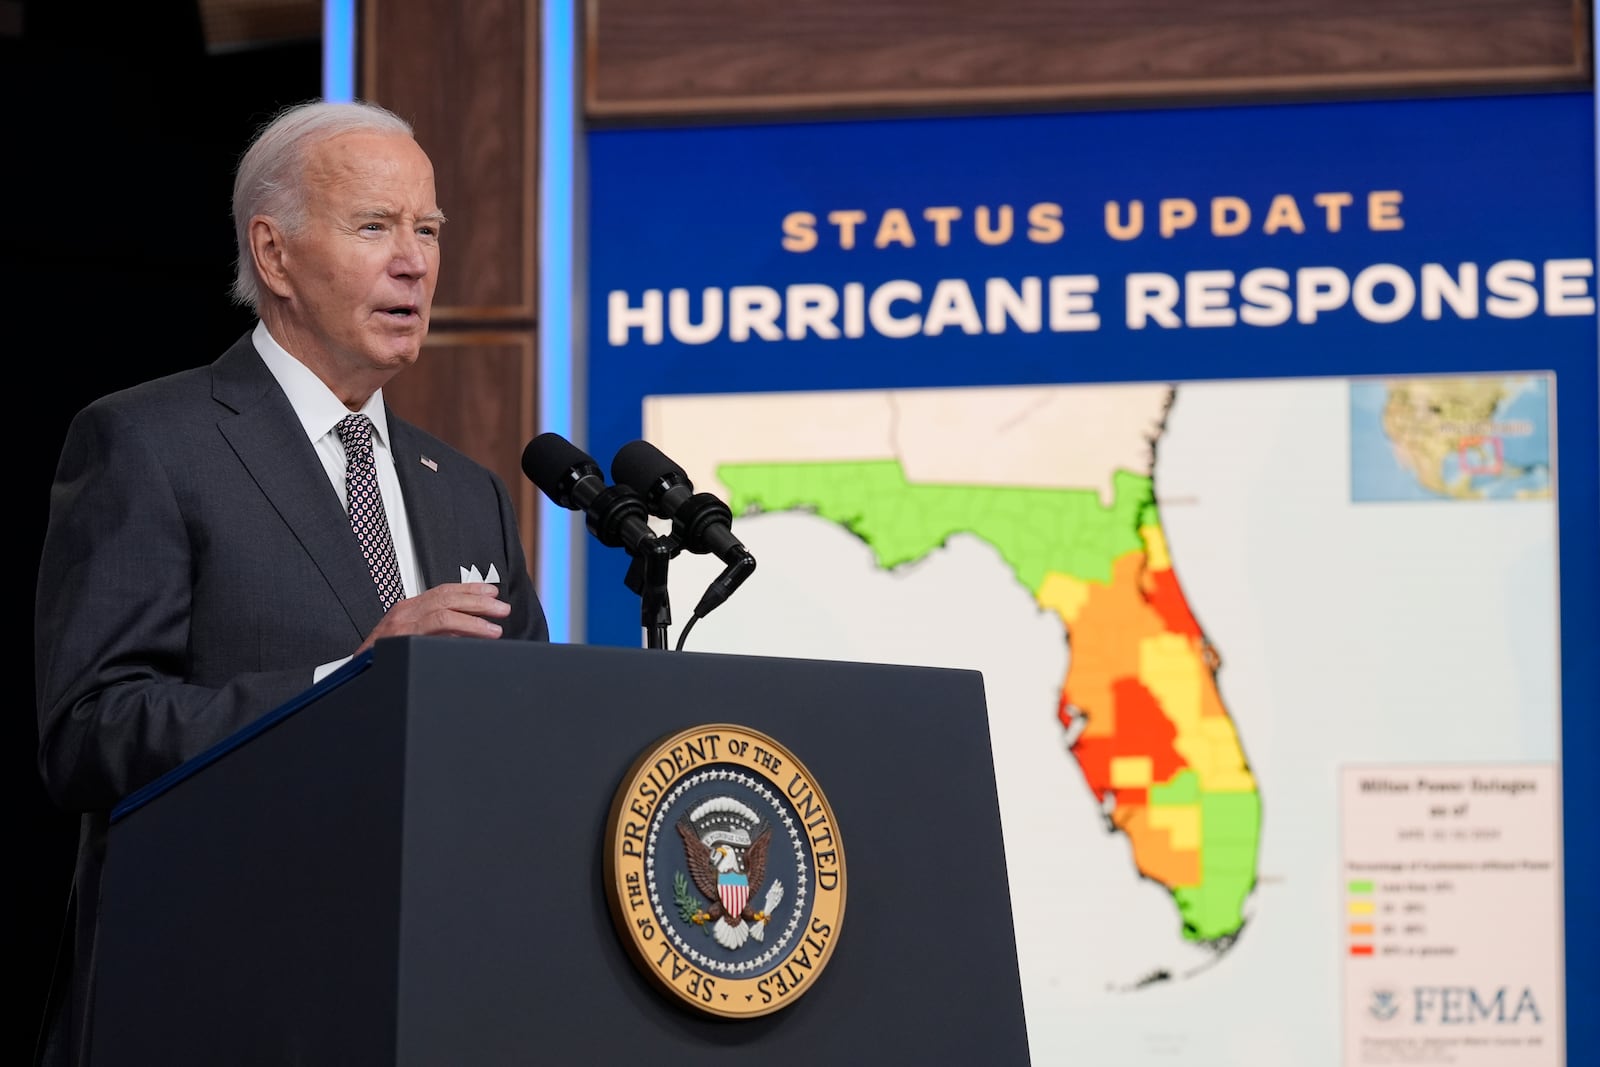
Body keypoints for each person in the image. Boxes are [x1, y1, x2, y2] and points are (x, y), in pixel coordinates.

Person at [31, 99, 549, 1065]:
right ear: (273, 256)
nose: (416, 260)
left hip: (433, 1000)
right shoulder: (150, 442)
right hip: (217, 998)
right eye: (375, 226)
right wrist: (344, 685)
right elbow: (90, 730)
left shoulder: (468, 490)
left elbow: (527, 744)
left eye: (429, 228)